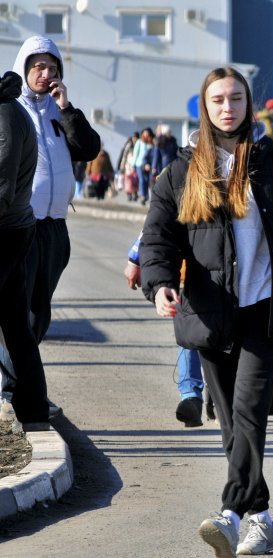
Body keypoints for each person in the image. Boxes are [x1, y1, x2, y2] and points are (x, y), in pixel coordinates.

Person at [139, 66, 273, 557]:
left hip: (267, 312)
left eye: (236, 99)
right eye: (219, 99)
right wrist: (159, 285)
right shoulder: (181, 171)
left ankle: (229, 514)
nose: (228, 107)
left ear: (249, 105)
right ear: (206, 106)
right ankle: (261, 519)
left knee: (247, 413)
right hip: (211, 314)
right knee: (232, 428)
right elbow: (158, 237)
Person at [13, 36, 100, 418]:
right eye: (38, 67)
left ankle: (24, 384)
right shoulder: (11, 109)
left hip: (55, 227)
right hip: (22, 225)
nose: (45, 74)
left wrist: (67, 109)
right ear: (24, 68)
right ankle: (20, 389)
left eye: (51, 68)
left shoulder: (60, 112)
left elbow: (89, 149)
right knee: (18, 314)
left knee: (40, 311)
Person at [0, 69, 50, 426]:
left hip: (5, 231)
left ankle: (32, 402)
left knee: (16, 322)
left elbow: (1, 184)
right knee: (15, 322)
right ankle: (31, 404)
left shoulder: (4, 116)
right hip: (13, 228)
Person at [124, 234, 213, 427]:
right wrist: (135, 257)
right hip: (188, 271)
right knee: (190, 331)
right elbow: (156, 223)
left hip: (233, 272)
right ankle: (191, 396)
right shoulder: (179, 202)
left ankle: (218, 392)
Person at [132, 127, 155, 205]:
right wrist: (133, 165)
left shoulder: (151, 143)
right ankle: (143, 196)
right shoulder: (139, 142)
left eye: (147, 134)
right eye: (144, 133)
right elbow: (135, 154)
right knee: (142, 180)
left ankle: (147, 196)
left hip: (149, 165)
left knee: (147, 180)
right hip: (139, 164)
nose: (146, 135)